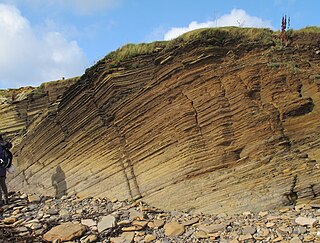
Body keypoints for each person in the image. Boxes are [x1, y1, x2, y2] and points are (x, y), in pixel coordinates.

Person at [0, 134, 11, 206]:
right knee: (3, 185)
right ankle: (6, 200)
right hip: (2, 168)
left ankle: (0, 202)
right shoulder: (2, 145)